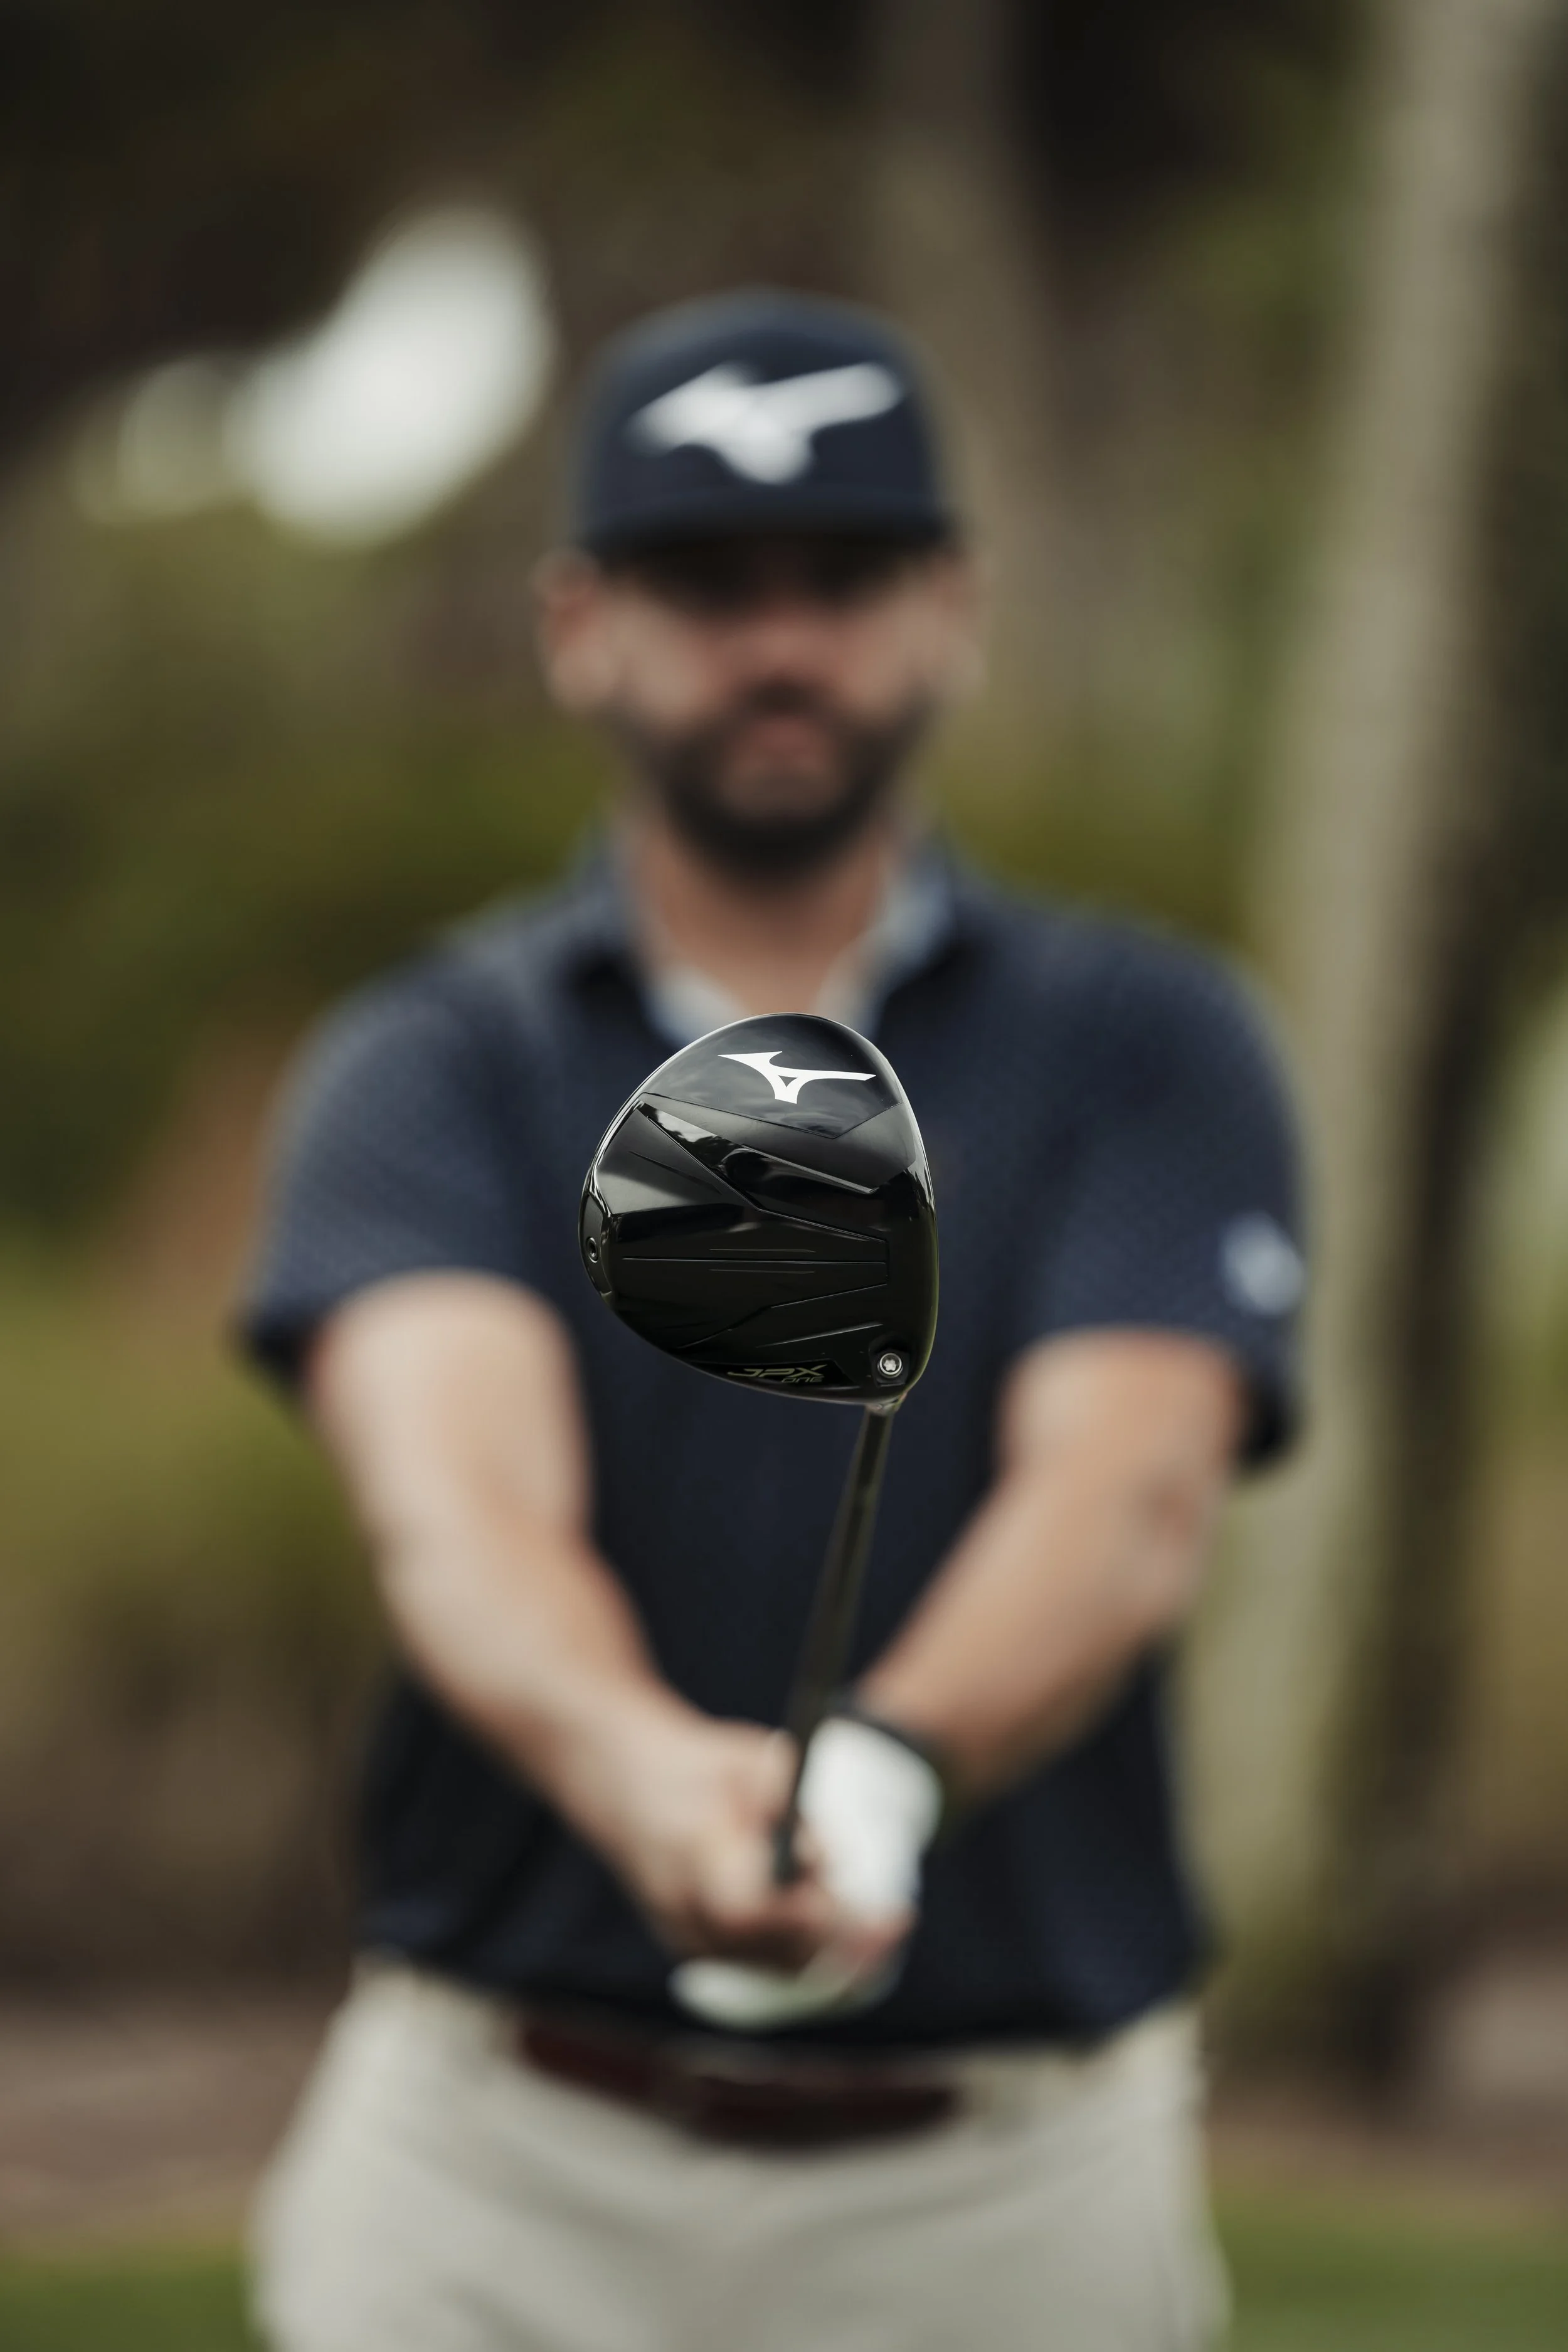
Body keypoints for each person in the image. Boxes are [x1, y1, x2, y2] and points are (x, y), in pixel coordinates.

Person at [240, 287, 1305, 2352]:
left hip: (1010, 2190)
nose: (779, 639)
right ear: (578, 624)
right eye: (706, 580)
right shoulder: (429, 1058)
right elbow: (459, 1509)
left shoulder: (1144, 1040)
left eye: (842, 573)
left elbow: (1128, 1487)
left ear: (954, 610)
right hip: (492, 2177)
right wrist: (647, 1770)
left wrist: (884, 1776)